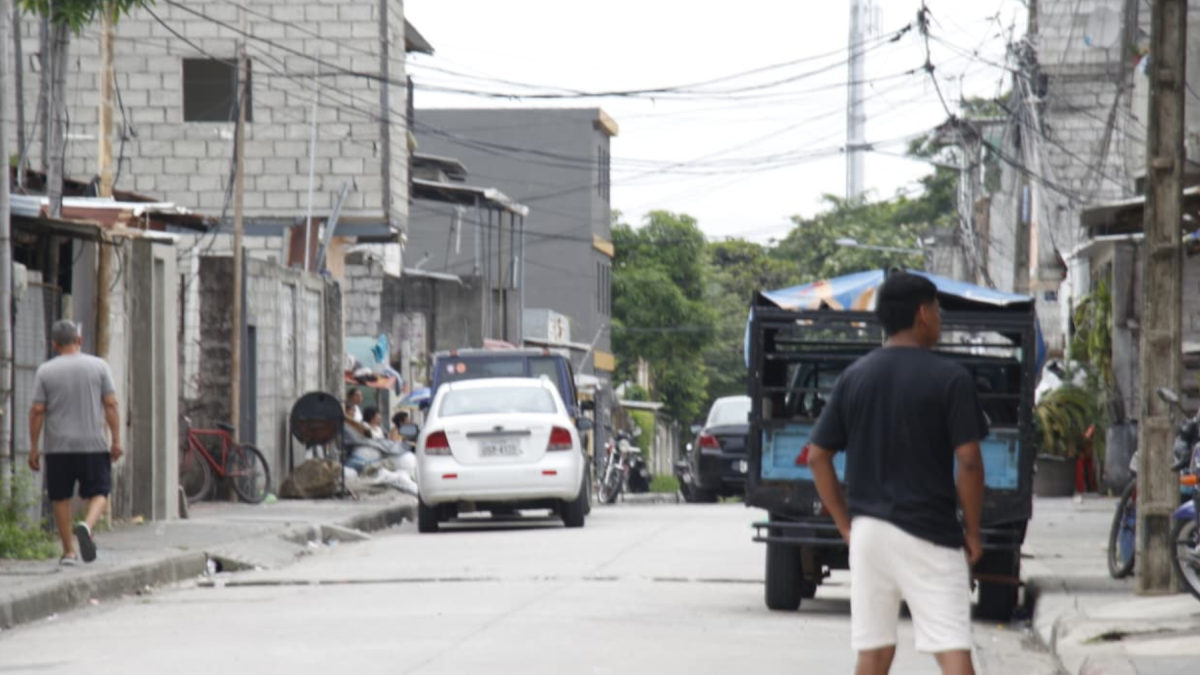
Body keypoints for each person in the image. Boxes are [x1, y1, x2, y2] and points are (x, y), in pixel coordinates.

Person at [807, 273, 987, 675]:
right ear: (923, 313)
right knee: (952, 647)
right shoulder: (950, 378)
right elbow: (970, 462)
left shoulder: (854, 377)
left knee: (873, 652)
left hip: (870, 534)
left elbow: (818, 457)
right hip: (931, 534)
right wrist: (973, 532)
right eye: (937, 311)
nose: (939, 320)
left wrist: (846, 526)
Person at [27, 320, 122, 566]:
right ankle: (87, 525)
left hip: (58, 447)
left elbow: (37, 410)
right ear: (79, 341)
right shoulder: (99, 367)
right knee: (100, 492)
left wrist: (34, 447)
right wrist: (116, 441)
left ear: (55, 344)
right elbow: (111, 404)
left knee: (61, 497)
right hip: (93, 444)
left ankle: (69, 551)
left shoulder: (45, 371)